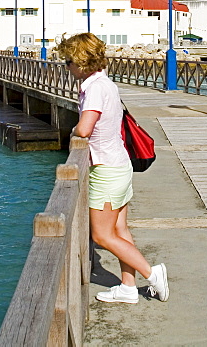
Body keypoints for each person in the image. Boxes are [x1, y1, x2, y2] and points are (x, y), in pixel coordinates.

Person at [55, 32, 169, 304]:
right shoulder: (105, 82)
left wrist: (73, 131)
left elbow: (84, 128)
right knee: (120, 230)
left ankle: (152, 273)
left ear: (81, 62)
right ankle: (128, 288)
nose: (67, 67)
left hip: (106, 170)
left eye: (68, 62)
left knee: (102, 234)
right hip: (120, 164)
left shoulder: (93, 88)